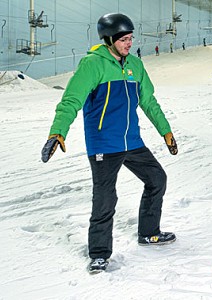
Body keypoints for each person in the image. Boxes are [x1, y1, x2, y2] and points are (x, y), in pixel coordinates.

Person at [41, 13, 179, 274]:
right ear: (109, 39)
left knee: (157, 179)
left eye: (130, 38)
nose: (129, 43)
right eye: (124, 39)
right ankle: (99, 254)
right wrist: (57, 132)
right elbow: (71, 101)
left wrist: (166, 131)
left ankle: (149, 233)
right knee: (105, 198)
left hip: (132, 141)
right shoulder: (93, 65)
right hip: (104, 143)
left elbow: (148, 101)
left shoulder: (135, 65)